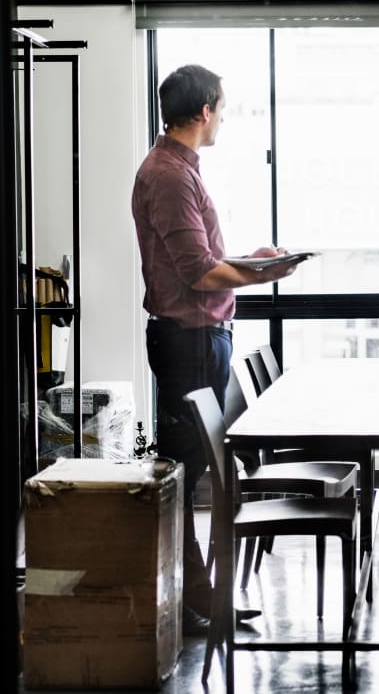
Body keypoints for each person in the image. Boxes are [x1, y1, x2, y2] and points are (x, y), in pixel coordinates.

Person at [132, 64, 304, 633]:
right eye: (222, 108)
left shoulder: (176, 169)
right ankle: (194, 598)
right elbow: (199, 275)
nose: (223, 117)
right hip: (191, 342)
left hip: (197, 338)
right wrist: (263, 274)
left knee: (196, 470)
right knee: (186, 474)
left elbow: (202, 262)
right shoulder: (171, 175)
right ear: (204, 110)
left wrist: (252, 260)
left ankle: (198, 595)